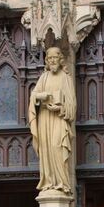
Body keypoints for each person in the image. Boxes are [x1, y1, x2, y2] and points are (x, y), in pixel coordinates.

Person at [28, 46, 77, 195]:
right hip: (44, 119)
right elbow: (33, 95)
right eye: (49, 59)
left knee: (57, 147)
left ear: (60, 59)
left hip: (58, 120)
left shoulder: (65, 78)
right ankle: (48, 182)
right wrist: (40, 96)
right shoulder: (44, 77)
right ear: (47, 61)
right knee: (46, 150)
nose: (52, 61)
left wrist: (60, 108)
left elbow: (72, 104)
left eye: (55, 58)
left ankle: (61, 183)